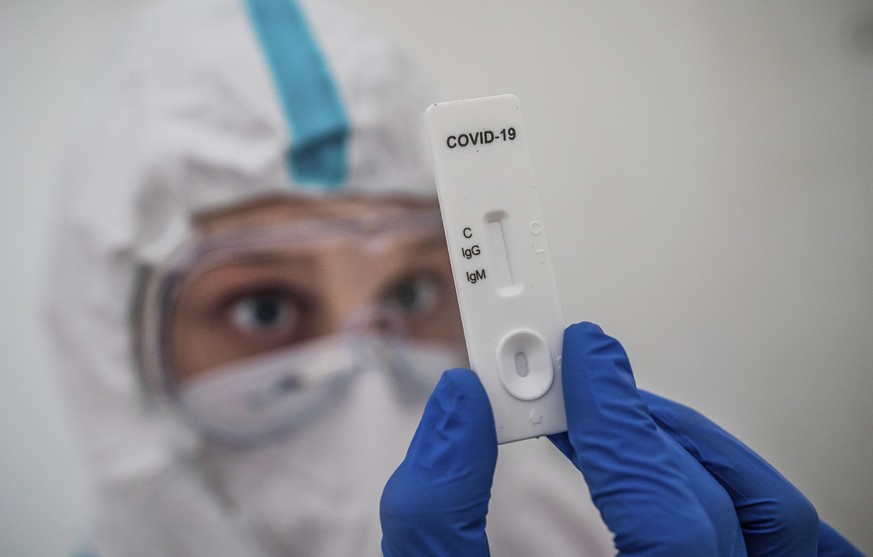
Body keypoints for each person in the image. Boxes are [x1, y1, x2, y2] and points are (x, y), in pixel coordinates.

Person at [46, 0, 862, 556]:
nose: (368, 391)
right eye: (265, 307)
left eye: (409, 292)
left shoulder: (617, 523)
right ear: (118, 357)